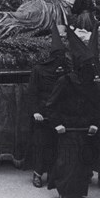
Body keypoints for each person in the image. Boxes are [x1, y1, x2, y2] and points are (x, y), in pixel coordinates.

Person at [46, 26, 100, 198]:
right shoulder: (65, 81)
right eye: (88, 67)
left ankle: (79, 191)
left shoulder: (92, 85)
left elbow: (97, 106)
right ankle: (64, 190)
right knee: (68, 161)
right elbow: (51, 105)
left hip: (85, 127)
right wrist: (57, 124)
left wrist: (95, 123)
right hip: (67, 127)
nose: (91, 70)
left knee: (83, 161)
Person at [27, 25, 69, 188]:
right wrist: (36, 111)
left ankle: (54, 174)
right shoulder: (39, 70)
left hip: (59, 113)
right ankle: (37, 173)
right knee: (41, 144)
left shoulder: (66, 71)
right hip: (43, 113)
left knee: (57, 145)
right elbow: (32, 93)